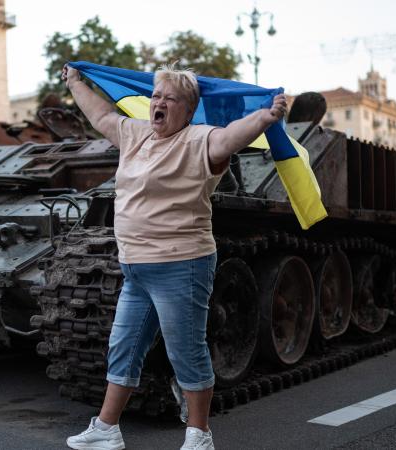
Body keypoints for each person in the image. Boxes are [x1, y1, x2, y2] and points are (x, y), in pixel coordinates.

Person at [62, 63, 287, 450]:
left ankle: (199, 436)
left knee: (186, 351)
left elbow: (230, 138)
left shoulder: (200, 140)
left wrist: (265, 118)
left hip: (181, 265)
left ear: (189, 109)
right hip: (136, 269)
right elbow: (100, 116)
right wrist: (74, 82)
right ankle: (107, 429)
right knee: (124, 346)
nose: (160, 103)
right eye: (156, 96)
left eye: (171, 98)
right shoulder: (135, 134)